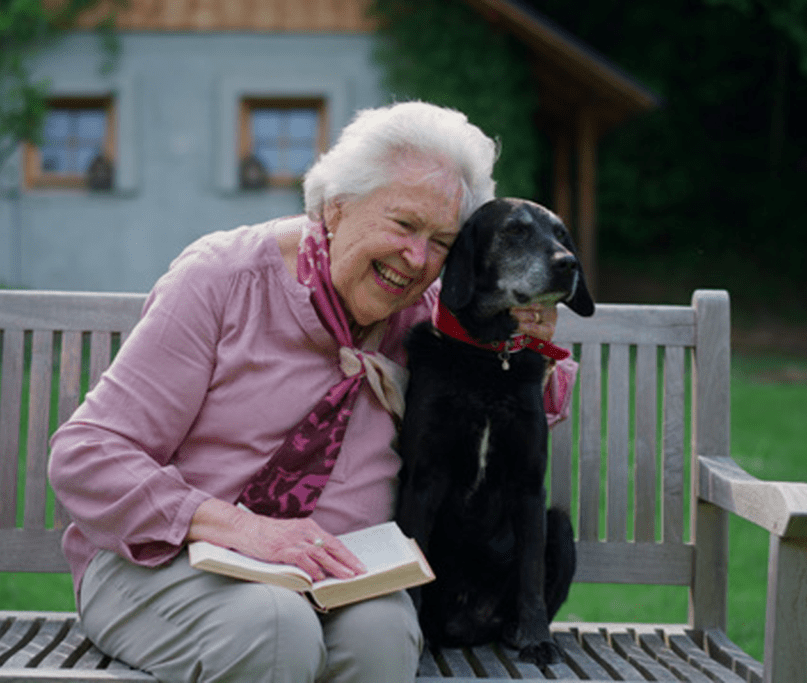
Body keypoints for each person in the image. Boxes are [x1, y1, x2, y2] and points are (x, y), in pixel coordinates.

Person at [48, 101, 578, 683]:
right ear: (334, 207)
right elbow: (86, 455)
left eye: (441, 242)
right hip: (169, 560)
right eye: (403, 225)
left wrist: (527, 343)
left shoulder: (427, 315)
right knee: (274, 629)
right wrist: (240, 528)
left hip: (339, 573)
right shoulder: (220, 280)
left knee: (384, 637)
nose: (417, 259)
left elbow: (509, 413)